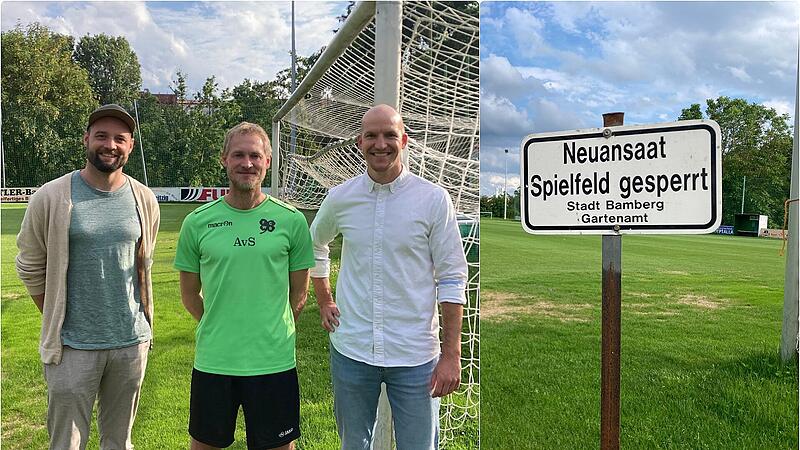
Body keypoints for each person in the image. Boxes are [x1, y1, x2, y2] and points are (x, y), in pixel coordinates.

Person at [310, 104, 468, 450]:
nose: (380, 144)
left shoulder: (433, 199)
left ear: (404, 140)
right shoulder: (340, 198)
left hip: (415, 354)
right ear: (359, 142)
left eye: (389, 135)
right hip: (352, 349)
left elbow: (452, 277)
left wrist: (452, 354)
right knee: (354, 445)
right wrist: (324, 299)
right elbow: (315, 245)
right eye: (371, 135)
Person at [15, 104, 160, 450]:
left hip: (130, 342)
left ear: (130, 145)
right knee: (66, 443)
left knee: (119, 442)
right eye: (101, 136)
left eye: (120, 139)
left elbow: (144, 264)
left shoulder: (144, 198)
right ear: (86, 139)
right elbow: (30, 266)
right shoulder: (51, 196)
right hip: (72, 346)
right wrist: (57, 315)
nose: (110, 145)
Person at [174, 122, 314, 450]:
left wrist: (269, 328)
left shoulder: (291, 221)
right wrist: (219, 322)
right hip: (215, 359)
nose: (247, 163)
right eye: (238, 155)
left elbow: (299, 294)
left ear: (268, 161)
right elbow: (189, 294)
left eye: (255, 156)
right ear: (224, 159)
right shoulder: (197, 222)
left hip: (273, 360)